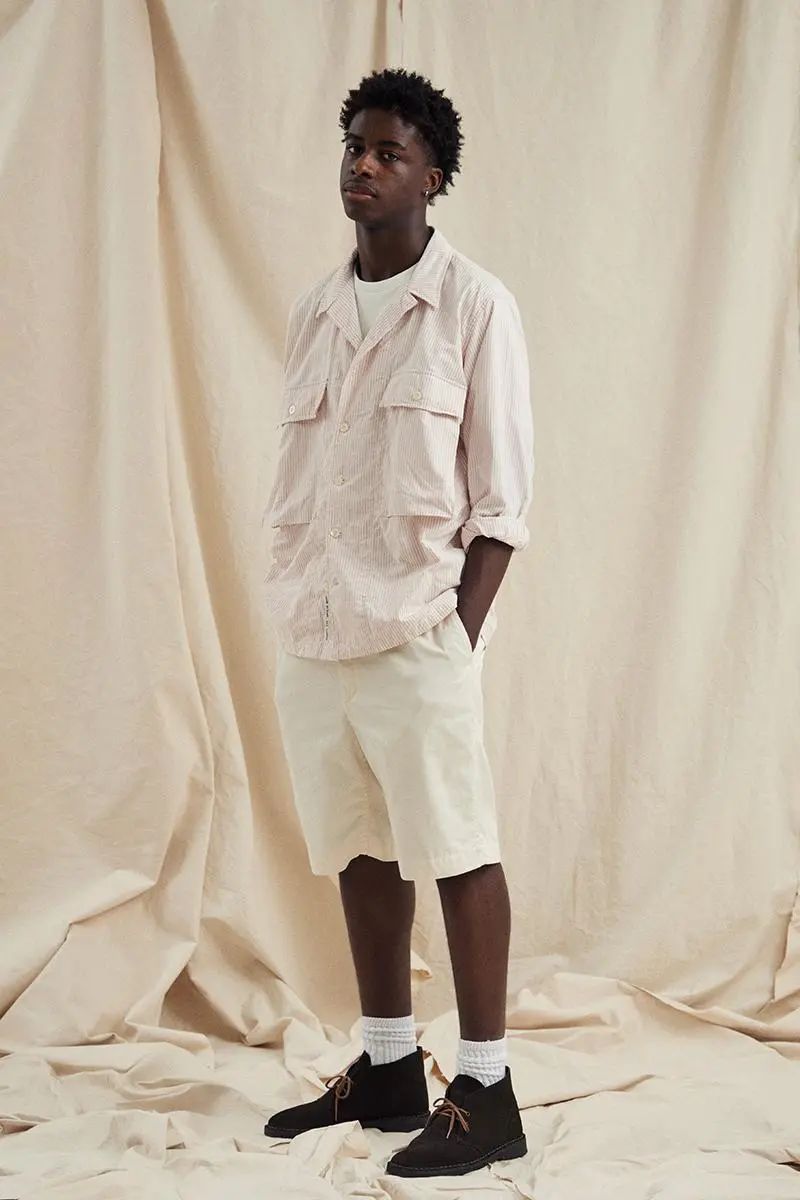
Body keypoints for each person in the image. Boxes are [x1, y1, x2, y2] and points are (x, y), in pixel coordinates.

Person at [262, 67, 534, 1178]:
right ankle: (385, 1069)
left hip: (418, 631)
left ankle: (487, 1090)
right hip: (316, 631)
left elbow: (501, 506)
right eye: (354, 148)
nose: (363, 167)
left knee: (458, 849)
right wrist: (293, 593)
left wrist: (453, 638)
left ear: (433, 178)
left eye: (389, 153)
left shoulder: (475, 307)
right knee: (359, 848)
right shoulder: (315, 311)